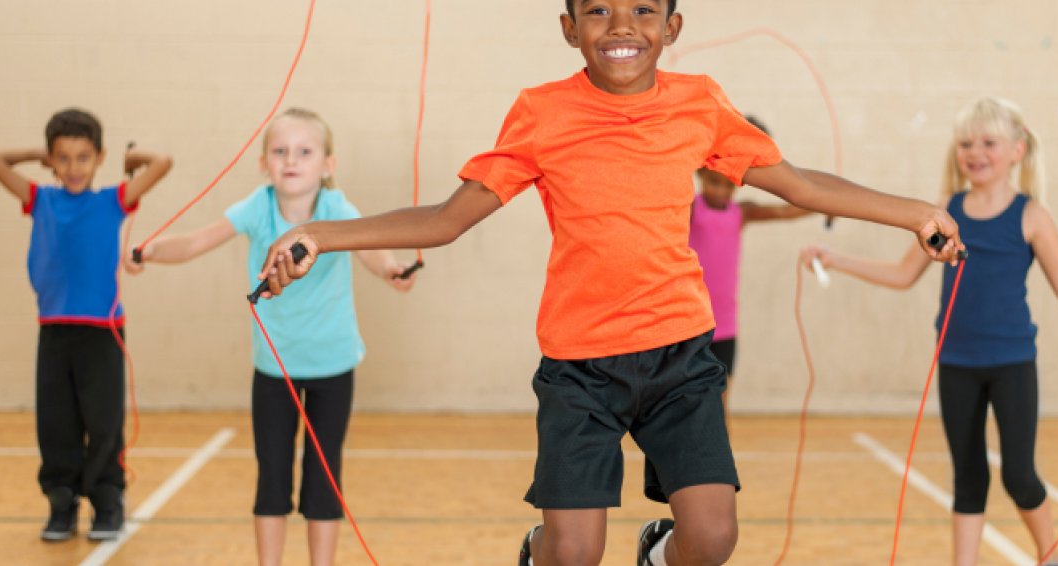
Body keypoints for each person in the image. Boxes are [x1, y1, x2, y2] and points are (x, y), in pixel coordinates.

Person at [255, 2, 964, 564]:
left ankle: (658, 553)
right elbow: (445, 220)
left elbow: (801, 183)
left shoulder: (700, 103)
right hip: (579, 367)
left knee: (712, 538)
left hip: (682, 356)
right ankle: (541, 552)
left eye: (643, 11)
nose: (621, 26)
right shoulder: (541, 112)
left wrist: (914, 214)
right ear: (569, 28)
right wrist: (317, 234)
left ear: (672, 26)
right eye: (597, 11)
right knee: (574, 552)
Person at [802, 98, 1058, 566]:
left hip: (1012, 364)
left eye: (988, 142)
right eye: (966, 143)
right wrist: (837, 260)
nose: (976, 152)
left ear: (1017, 150)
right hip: (956, 364)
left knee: (1019, 475)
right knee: (968, 476)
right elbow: (902, 274)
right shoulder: (945, 211)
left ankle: (1050, 556)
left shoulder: (1032, 215)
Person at [126, 108, 416, 566]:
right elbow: (198, 241)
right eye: (280, 151)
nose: (291, 160)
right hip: (273, 370)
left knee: (324, 479)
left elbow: (372, 252)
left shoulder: (337, 210)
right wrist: (152, 250)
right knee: (273, 478)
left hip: (333, 367)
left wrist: (393, 270)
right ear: (264, 163)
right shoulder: (257, 207)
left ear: (328, 165)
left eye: (305, 151)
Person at [0, 108, 172, 541]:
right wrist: (37, 153)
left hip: (102, 333)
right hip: (54, 330)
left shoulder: (112, 201)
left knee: (103, 422)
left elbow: (163, 164)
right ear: (52, 160)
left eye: (83, 157)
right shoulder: (40, 199)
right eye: (62, 158)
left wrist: (134, 157)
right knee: (56, 423)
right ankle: (62, 503)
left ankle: (107, 503)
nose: (72, 168)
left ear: (99, 157)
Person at [688, 115, 811, 415]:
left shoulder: (741, 213)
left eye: (728, 185)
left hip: (725, 326)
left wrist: (828, 205)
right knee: (688, 405)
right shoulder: (691, 209)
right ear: (701, 175)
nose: (721, 191)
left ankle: (720, 459)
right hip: (689, 325)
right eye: (714, 183)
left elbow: (787, 210)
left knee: (720, 405)